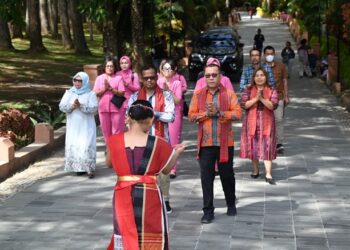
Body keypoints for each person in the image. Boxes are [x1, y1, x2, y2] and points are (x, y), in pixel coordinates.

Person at [106, 100, 185, 250]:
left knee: (124, 231)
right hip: (150, 194)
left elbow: (109, 163)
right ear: (149, 120)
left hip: (122, 193)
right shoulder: (158, 143)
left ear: (129, 117)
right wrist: (176, 153)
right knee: (150, 232)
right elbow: (166, 170)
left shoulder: (114, 141)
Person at [188, 63, 242, 224]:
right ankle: (208, 211)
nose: (211, 78)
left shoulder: (229, 93)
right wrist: (206, 113)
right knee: (206, 177)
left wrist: (218, 112)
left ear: (220, 76)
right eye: (208, 75)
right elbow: (190, 116)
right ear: (204, 78)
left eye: (214, 75)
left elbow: (238, 113)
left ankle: (231, 204)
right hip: (205, 143)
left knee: (227, 175)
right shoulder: (198, 95)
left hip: (226, 143)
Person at [127, 65, 175, 214]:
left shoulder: (166, 95)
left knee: (162, 173)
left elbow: (171, 116)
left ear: (157, 77)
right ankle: (144, 201)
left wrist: (153, 115)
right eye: (146, 78)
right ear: (142, 79)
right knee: (141, 172)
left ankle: (165, 201)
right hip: (140, 140)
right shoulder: (135, 97)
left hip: (159, 139)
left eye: (152, 77)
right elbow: (129, 117)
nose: (149, 80)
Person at [239, 68, 278, 185]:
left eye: (262, 75)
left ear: (266, 77)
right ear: (253, 78)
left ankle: (268, 173)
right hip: (251, 120)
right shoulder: (248, 89)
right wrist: (256, 98)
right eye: (257, 75)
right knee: (253, 145)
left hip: (267, 121)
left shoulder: (271, 89)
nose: (259, 77)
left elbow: (273, 105)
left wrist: (261, 98)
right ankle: (255, 170)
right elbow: (244, 105)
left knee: (268, 144)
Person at [59, 72, 98, 178]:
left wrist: (81, 105)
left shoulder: (91, 94)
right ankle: (79, 168)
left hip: (87, 125)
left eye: (79, 81)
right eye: (75, 80)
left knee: (86, 144)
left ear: (84, 81)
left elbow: (94, 108)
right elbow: (62, 106)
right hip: (74, 125)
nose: (77, 83)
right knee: (76, 144)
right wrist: (72, 106)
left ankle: (89, 168)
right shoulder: (69, 93)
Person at [157, 59, 184, 178]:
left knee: (173, 141)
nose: (168, 71)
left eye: (170, 69)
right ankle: (161, 165)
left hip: (174, 114)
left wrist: (168, 91)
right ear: (162, 70)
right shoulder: (158, 82)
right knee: (161, 140)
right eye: (165, 69)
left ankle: (173, 168)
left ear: (174, 71)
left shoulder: (177, 83)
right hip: (160, 114)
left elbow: (178, 100)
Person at [93, 56, 126, 143]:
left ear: (114, 67)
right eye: (108, 66)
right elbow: (95, 93)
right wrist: (105, 89)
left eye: (111, 66)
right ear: (104, 67)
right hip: (103, 109)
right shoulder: (99, 78)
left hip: (117, 108)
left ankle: (116, 151)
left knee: (117, 132)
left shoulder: (118, 78)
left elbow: (122, 92)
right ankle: (109, 151)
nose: (110, 68)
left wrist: (111, 89)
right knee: (106, 132)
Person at [264, 45, 289, 154]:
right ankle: (268, 141)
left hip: (279, 96)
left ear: (274, 54)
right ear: (264, 55)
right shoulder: (261, 68)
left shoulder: (281, 66)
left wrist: (287, 95)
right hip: (265, 98)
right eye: (267, 54)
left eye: (271, 53)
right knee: (267, 120)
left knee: (279, 119)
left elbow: (284, 81)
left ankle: (279, 143)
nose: (269, 56)